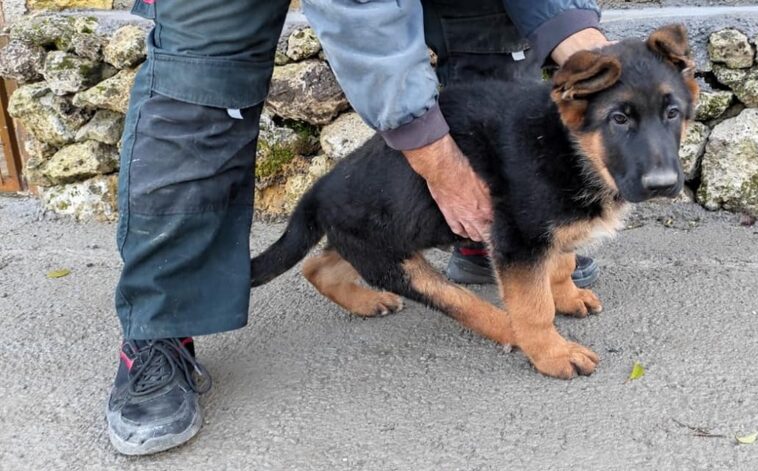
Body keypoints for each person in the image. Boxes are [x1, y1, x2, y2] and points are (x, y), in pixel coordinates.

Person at [107, 0, 612, 456]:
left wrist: (576, 32)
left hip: (374, 212)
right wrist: (431, 153)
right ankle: (163, 320)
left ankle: (481, 237)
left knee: (488, 43)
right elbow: (361, 12)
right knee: (199, 86)